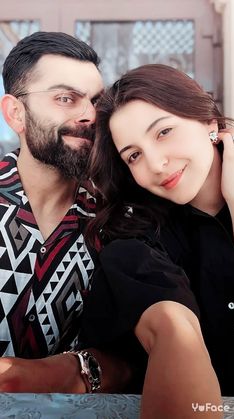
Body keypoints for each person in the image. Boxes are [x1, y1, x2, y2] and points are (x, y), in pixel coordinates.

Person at [82, 63, 234, 418]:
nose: (156, 163)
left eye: (164, 132)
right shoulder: (137, 245)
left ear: (209, 122)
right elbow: (173, 334)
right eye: (133, 155)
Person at [0, 31, 131, 394]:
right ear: (15, 112)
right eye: (65, 98)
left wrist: (73, 372)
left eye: (96, 101)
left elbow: (134, 360)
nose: (90, 115)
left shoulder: (117, 222)